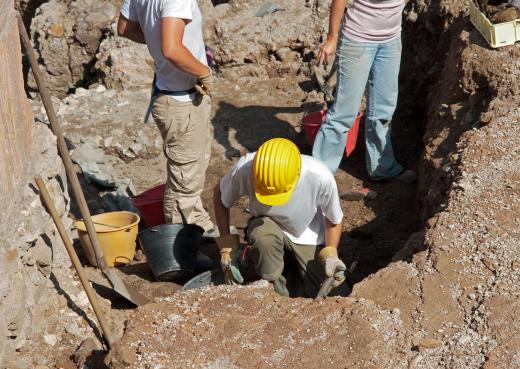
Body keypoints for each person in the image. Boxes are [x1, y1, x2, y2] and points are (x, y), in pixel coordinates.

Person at [117, 0, 214, 232]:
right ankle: (182, 247)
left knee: (191, 171)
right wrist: (204, 72)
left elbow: (124, 28)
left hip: (172, 95)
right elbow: (172, 49)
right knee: (184, 184)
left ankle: (197, 223)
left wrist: (158, 41)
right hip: (182, 101)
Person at [213, 138, 348, 297]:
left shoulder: (319, 176)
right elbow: (220, 194)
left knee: (334, 295)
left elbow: (334, 219)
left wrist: (331, 254)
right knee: (263, 238)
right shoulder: (246, 168)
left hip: (307, 234)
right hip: (267, 226)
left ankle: (289, 270)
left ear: (297, 174)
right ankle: (274, 290)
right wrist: (227, 247)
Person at [312, 0, 417, 183]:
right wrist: (332, 38)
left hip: (390, 42)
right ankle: (319, 177)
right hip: (357, 40)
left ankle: (382, 168)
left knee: (384, 109)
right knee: (344, 113)